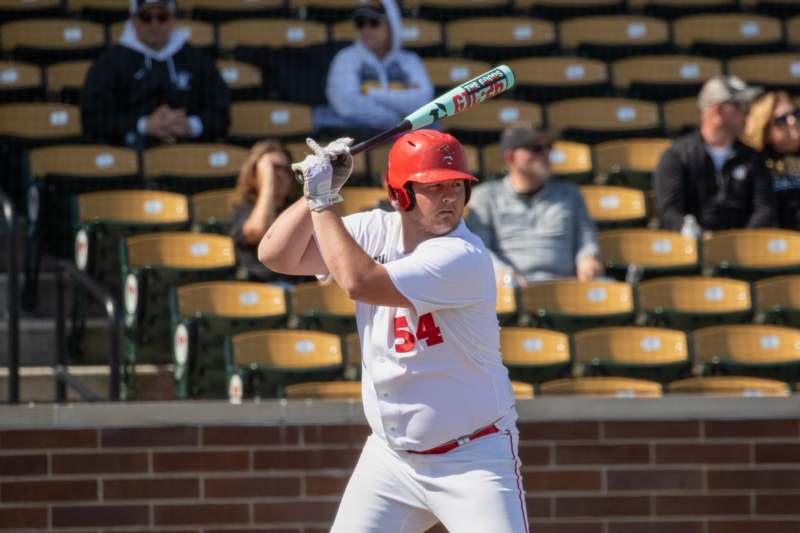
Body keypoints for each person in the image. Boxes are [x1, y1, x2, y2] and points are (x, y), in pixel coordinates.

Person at [258, 130, 528, 533]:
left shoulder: (463, 255)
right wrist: (314, 194)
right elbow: (275, 254)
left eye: (457, 186)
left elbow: (358, 282)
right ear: (399, 194)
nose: (450, 198)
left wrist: (324, 200)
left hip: (472, 457)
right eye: (434, 187)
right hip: (392, 460)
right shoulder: (375, 229)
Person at [465, 124, 603, 286]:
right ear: (510, 157)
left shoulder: (570, 193)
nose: (546, 154)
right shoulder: (485, 196)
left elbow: (587, 241)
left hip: (567, 288)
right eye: (536, 149)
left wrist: (588, 258)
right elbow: (479, 248)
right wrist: (502, 272)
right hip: (511, 289)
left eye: (549, 147)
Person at [80, 0, 229, 147]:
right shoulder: (110, 62)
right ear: (134, 21)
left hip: (189, 151)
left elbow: (222, 113)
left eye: (162, 17)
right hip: (130, 153)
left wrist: (190, 125)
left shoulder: (196, 59)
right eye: (146, 17)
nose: (155, 24)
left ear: (172, 19)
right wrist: (143, 125)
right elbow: (92, 118)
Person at [654, 75, 774, 237]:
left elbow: (764, 209)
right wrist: (701, 238)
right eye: (741, 106)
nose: (747, 115)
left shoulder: (753, 158)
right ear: (717, 110)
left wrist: (742, 242)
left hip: (744, 254)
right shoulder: (677, 156)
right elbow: (669, 212)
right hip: (693, 253)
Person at [317, 0, 434, 134]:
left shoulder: (410, 60)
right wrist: (394, 120)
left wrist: (372, 93)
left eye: (374, 22)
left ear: (391, 24)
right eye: (360, 23)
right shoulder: (346, 58)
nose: (366, 29)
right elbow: (346, 104)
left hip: (404, 136)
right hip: (360, 138)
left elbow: (423, 101)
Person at [229, 140, 305, 284]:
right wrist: (268, 182)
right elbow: (258, 231)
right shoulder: (243, 210)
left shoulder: (298, 209)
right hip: (262, 289)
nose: (279, 174)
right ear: (253, 174)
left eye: (285, 169)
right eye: (273, 167)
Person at [742, 91, 800, 230]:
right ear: (765, 128)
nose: (792, 122)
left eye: (796, 114)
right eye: (781, 119)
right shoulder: (751, 163)